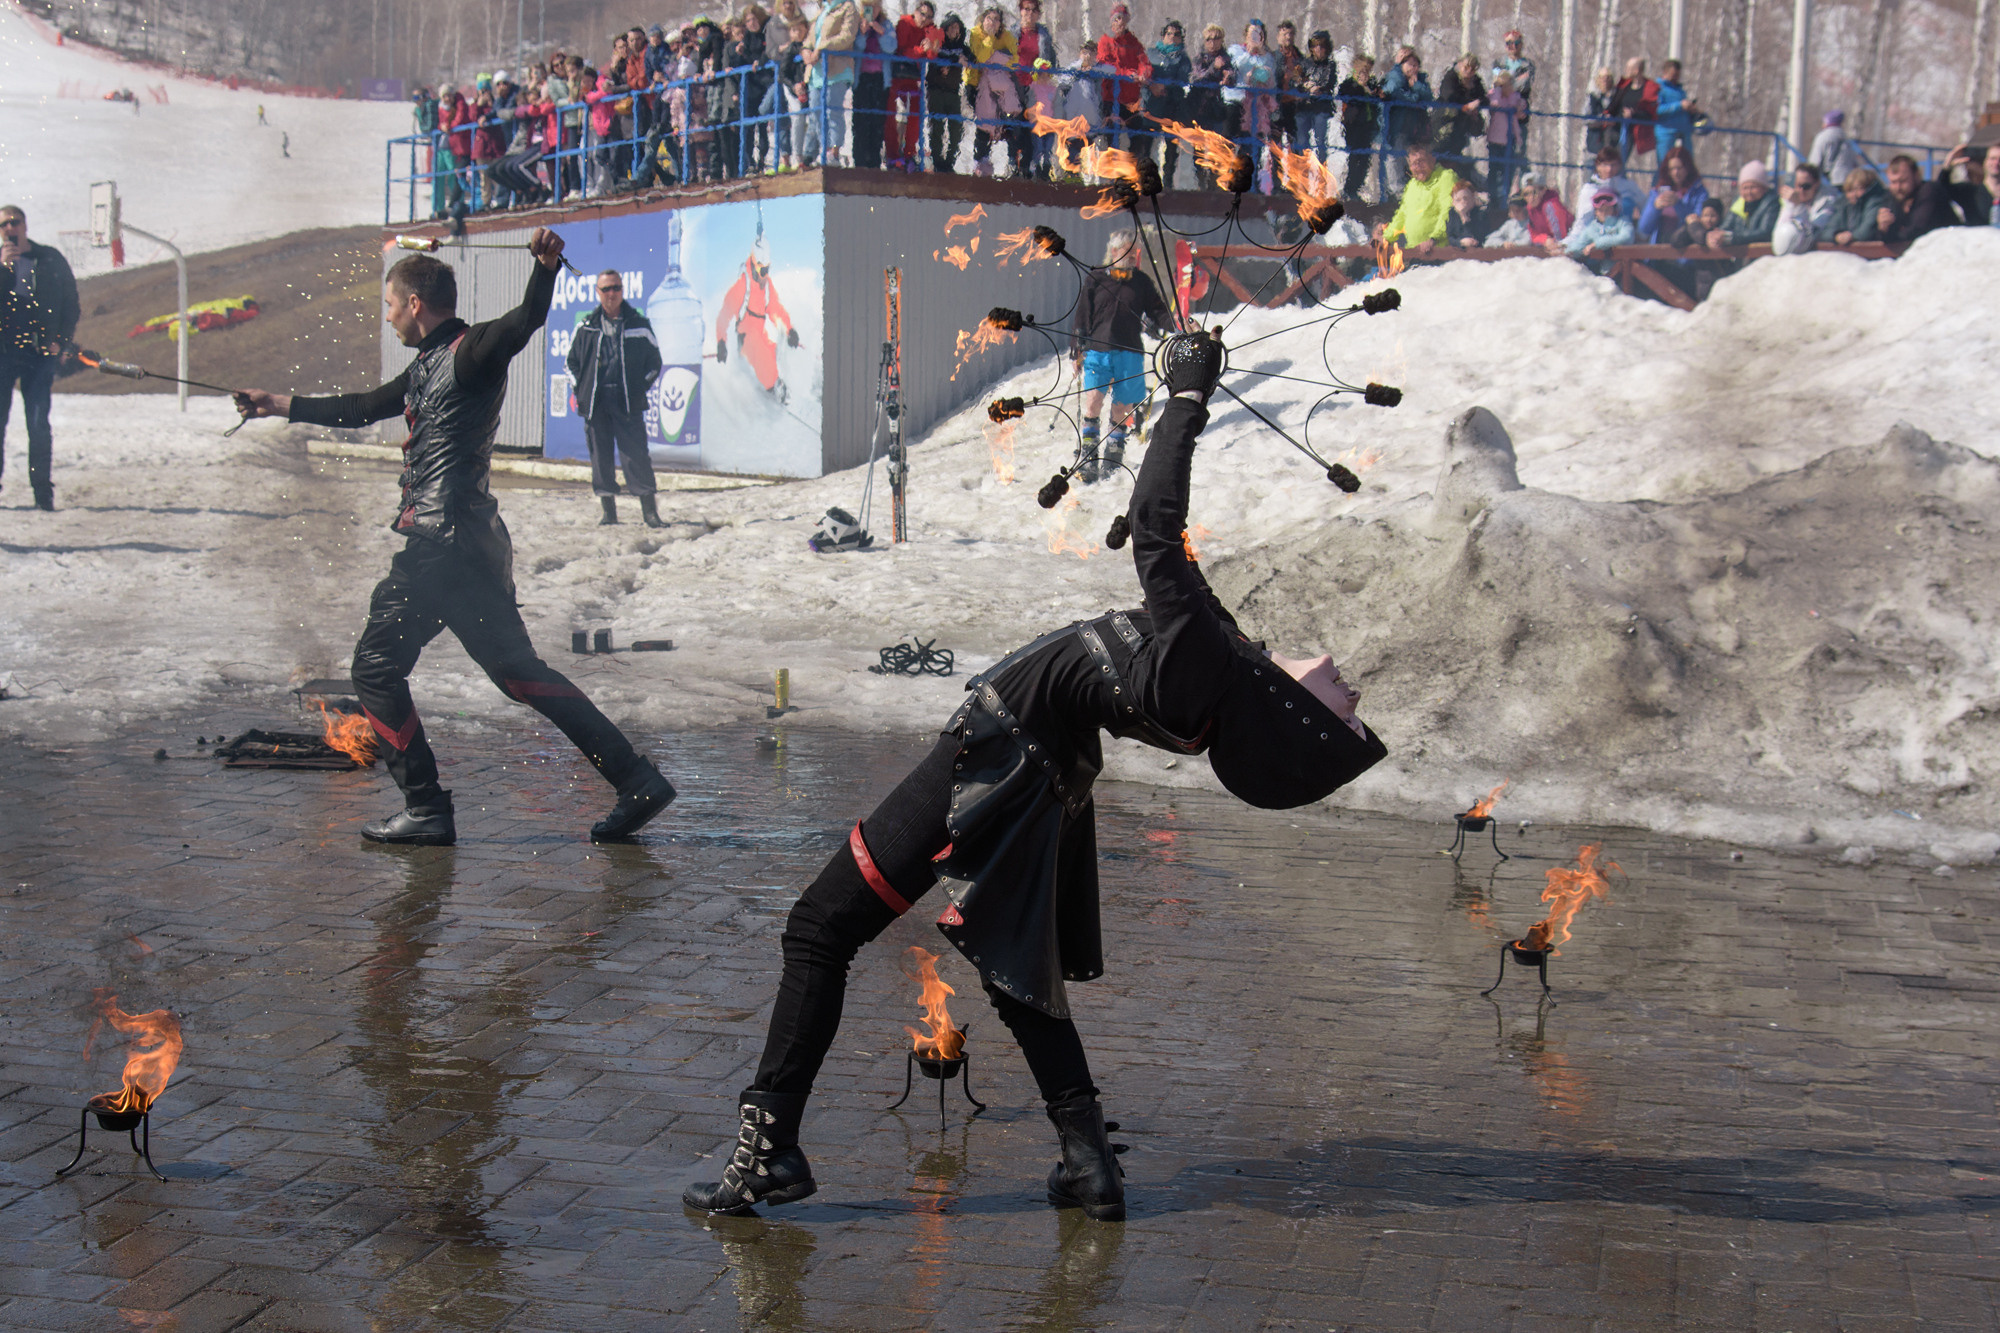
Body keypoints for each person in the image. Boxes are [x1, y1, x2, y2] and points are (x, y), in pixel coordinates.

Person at [680, 329, 1386, 1222]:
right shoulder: (1220, 666)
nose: (1339, 671)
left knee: (819, 926)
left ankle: (768, 1148)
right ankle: (1087, 1160)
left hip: (996, 757)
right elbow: (1178, 557)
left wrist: (1185, 402)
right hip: (1040, 768)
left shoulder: (1208, 662)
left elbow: (1159, 528)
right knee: (1015, 965)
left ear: (1291, 710)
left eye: (1338, 696)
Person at [231, 234, 675, 848]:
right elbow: (362, 406)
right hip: (469, 547)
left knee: (375, 668)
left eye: (389, 306)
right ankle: (637, 779)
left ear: (415, 302)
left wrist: (544, 269)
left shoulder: (470, 352)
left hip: (440, 549)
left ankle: (425, 806)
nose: (387, 318)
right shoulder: (426, 365)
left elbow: (524, 322)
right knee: (520, 674)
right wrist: (277, 403)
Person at [1069, 228, 1169, 482]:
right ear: (1114, 252)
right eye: (1128, 251)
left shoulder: (1142, 282)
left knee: (1122, 409)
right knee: (1093, 401)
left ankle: (1113, 459)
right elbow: (1082, 314)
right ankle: (1089, 457)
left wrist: (1176, 324)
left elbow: (1158, 311)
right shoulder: (1096, 278)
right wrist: (1076, 347)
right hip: (1097, 350)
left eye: (1136, 251)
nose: (1134, 256)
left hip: (1130, 352)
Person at [566, 270, 664, 527]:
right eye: (606, 289)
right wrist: (581, 390)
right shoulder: (586, 326)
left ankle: (650, 513)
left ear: (623, 291)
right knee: (601, 458)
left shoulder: (638, 324)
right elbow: (570, 363)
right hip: (597, 403)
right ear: (598, 293)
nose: (611, 294)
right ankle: (609, 513)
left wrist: (638, 388)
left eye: (616, 288)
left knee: (637, 457)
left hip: (627, 402)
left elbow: (655, 362)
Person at [0, 205, 78, 513]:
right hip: (3, 354)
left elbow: (70, 301)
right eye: (3, 225)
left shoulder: (49, 259)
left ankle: (42, 493)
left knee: (38, 424)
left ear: (25, 224)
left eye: (14, 222)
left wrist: (62, 340)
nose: (9, 228)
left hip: (39, 354)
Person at [715, 229, 801, 398]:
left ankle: (778, 382)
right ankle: (773, 385)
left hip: (760, 334)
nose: (765, 275)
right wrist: (721, 342)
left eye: (768, 269)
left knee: (774, 349)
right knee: (759, 348)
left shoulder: (767, 286)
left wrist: (790, 330)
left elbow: (776, 310)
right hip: (745, 337)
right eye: (762, 271)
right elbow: (724, 315)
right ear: (754, 266)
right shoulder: (743, 285)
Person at [964, 6, 1020, 177]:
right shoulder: (974, 34)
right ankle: (979, 161)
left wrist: (996, 59)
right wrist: (989, 40)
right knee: (984, 123)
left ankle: (1008, 163)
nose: (993, 22)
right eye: (989, 18)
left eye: (996, 20)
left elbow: (1015, 60)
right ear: (983, 19)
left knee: (1002, 123)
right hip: (975, 83)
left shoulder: (1007, 37)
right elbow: (980, 58)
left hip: (998, 85)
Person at [805, 0, 861, 166]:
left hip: (837, 68)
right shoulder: (823, 9)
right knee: (816, 112)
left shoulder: (848, 7)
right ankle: (824, 149)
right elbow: (810, 37)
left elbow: (847, 36)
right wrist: (806, 51)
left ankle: (834, 153)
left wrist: (822, 47)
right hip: (816, 70)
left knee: (832, 110)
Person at [1377, 141, 1459, 253]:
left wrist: (1433, 239)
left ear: (1432, 159)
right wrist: (1386, 238)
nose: (1417, 167)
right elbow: (1401, 217)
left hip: (1438, 251)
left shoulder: (1446, 177)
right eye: (1413, 164)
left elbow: (1448, 212)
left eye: (1421, 161)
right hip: (1413, 251)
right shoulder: (1412, 185)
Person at [1095, 3, 1152, 153]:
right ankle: (1113, 170)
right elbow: (1106, 65)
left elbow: (1144, 62)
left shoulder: (1133, 42)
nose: (1120, 22)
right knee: (1111, 136)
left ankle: (1131, 171)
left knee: (1137, 136)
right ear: (1112, 21)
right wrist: (1126, 74)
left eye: (1123, 19)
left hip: (1131, 99)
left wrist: (1144, 74)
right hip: (1111, 96)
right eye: (1117, 19)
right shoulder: (1105, 41)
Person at [1185, 24, 1236, 187]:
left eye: (1216, 38)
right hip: (1200, 106)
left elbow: (1232, 77)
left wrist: (1228, 77)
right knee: (1199, 147)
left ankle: (1214, 183)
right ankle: (1200, 179)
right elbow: (1197, 79)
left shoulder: (1226, 58)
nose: (1213, 42)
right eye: (1209, 39)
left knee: (1218, 146)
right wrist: (1214, 68)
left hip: (1218, 108)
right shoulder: (1200, 58)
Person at [889, 2, 937, 170]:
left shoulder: (930, 30)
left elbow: (932, 54)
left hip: (912, 78)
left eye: (928, 16)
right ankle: (892, 153)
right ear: (915, 12)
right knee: (892, 112)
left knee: (916, 112)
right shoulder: (904, 23)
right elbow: (902, 49)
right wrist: (920, 50)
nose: (924, 19)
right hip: (897, 75)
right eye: (922, 14)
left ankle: (909, 152)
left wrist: (929, 49)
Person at [850, 0, 895, 170]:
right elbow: (856, 48)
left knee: (877, 121)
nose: (872, 10)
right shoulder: (856, 22)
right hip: (861, 78)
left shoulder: (886, 24)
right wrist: (862, 33)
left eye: (875, 6)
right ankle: (860, 161)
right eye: (868, 6)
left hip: (880, 79)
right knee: (861, 120)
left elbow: (891, 47)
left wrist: (880, 31)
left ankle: (874, 161)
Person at [1145, 20, 1191, 186]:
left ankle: (1168, 182)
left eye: (1176, 34)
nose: (1172, 37)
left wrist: (1165, 85)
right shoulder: (1151, 54)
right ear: (1163, 35)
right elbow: (1144, 71)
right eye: (1169, 33)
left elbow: (1182, 79)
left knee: (1171, 148)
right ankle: (1145, 180)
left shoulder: (1183, 59)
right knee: (1146, 143)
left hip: (1173, 105)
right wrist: (1152, 84)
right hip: (1152, 104)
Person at [1380, 50, 1432, 193]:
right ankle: (1396, 191)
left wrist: (1416, 86)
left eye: (1416, 65)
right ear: (1402, 64)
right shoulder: (1395, 77)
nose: (1413, 68)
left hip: (1415, 127)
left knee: (1413, 159)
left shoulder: (1420, 80)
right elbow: (1396, 94)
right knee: (1395, 157)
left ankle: (1413, 189)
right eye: (1410, 64)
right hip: (1397, 125)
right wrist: (1415, 97)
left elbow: (1428, 97)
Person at [1874, 153, 1954, 242]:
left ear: (1916, 176)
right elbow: (1883, 237)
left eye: (1903, 181)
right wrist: (1883, 229)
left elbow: (1916, 230)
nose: (1898, 187)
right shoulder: (1891, 197)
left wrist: (1892, 236)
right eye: (1893, 182)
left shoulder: (1929, 191)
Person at [1554, 186, 1636, 271]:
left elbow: (1626, 237)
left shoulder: (1623, 223)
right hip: (1605, 274)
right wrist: (1565, 251)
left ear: (1615, 210)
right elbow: (1579, 244)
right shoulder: (1592, 228)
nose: (1604, 213)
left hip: (1625, 271)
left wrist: (1596, 244)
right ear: (1596, 212)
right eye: (1600, 210)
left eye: (1607, 210)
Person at [1636, 145, 1707, 242]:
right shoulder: (1657, 191)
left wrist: (1678, 204)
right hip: (1659, 249)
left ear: (1688, 167)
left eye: (1679, 168)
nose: (1675, 173)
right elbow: (1644, 229)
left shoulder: (1699, 192)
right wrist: (1655, 208)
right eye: (1672, 169)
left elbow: (1697, 224)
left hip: (1685, 249)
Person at [926, 13, 970, 171]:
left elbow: (972, 59)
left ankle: (950, 160)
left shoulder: (961, 47)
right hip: (936, 89)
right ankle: (937, 160)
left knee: (956, 128)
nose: (954, 31)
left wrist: (966, 61)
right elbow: (934, 58)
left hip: (953, 91)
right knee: (937, 127)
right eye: (951, 27)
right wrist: (950, 63)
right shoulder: (939, 43)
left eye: (957, 28)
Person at [1434, 53, 1487, 183]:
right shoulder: (1451, 77)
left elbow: (1484, 98)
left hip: (1461, 129)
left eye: (1473, 69)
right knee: (1440, 154)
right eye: (1466, 67)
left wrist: (1476, 104)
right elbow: (1449, 96)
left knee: (1455, 155)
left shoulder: (1476, 82)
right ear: (1460, 65)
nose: (1469, 71)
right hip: (1444, 125)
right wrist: (1467, 105)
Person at [1337, 53, 1382, 200]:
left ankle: (1356, 187)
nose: (1365, 72)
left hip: (1368, 124)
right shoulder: (1349, 83)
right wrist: (1360, 87)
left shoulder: (1372, 83)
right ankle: (1349, 189)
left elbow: (1378, 97)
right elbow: (1344, 95)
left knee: (1365, 158)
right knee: (1355, 157)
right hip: (1354, 125)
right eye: (1362, 69)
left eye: (1368, 69)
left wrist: (1373, 92)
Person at [1709, 158, 1780, 248]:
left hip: (1763, 256)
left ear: (1764, 188)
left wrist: (1731, 237)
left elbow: (1765, 232)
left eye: (1753, 187)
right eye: (1745, 188)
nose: (1749, 192)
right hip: (1740, 256)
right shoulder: (1739, 202)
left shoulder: (1772, 203)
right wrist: (1716, 235)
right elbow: (1727, 226)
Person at [1771, 163, 1836, 254]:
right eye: (1798, 185)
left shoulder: (1828, 202)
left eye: (1806, 186)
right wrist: (1792, 205)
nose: (1801, 191)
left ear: (1817, 184)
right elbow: (1781, 230)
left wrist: (1799, 206)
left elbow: (1813, 233)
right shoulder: (1789, 201)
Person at [1571, 145, 1643, 225]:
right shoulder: (1589, 189)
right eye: (1605, 165)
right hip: (1596, 234)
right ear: (1597, 166)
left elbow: (1645, 208)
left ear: (1619, 166)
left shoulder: (1629, 186)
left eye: (1613, 165)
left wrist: (1640, 234)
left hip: (1623, 233)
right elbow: (1582, 221)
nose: (1609, 169)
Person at [1610, 57, 1659, 171]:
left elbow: (1651, 112)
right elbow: (1615, 105)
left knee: (1619, 160)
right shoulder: (1624, 85)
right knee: (1610, 158)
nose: (1626, 70)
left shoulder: (1649, 88)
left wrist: (1634, 114)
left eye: (1628, 68)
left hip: (1634, 130)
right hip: (1617, 127)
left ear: (1636, 70)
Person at [1483, 68, 1525, 201]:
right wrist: (1499, 94)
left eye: (1509, 85)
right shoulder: (1495, 95)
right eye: (1504, 85)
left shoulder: (1516, 98)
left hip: (1510, 138)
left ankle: (1504, 197)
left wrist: (1517, 107)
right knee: (1494, 169)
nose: (1508, 88)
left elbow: (1521, 109)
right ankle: (1493, 197)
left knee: (1508, 169)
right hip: (1496, 138)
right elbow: (1493, 102)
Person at [1490, 30, 1534, 147]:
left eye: (1516, 43)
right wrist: (1514, 81)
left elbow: (1525, 85)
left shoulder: (1528, 65)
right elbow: (1496, 82)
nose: (1513, 46)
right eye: (1509, 43)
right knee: (1498, 149)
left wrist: (1506, 83)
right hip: (1501, 111)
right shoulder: (1498, 63)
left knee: (1519, 147)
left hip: (1519, 109)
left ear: (1521, 45)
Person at [1944, 141, 2000, 227]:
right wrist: (1947, 167)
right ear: (1984, 162)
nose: (1996, 163)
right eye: (1992, 158)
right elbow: (1942, 189)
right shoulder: (1970, 192)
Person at [1829, 166, 1890, 244]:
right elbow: (1828, 230)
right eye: (1849, 190)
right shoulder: (1843, 204)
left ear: (1869, 188)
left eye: (1858, 189)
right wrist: (1836, 236)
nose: (1853, 195)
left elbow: (1868, 229)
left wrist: (1852, 236)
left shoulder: (1875, 201)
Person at [1809, 110, 1868, 188]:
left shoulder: (1822, 137)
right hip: (1848, 180)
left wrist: (1810, 179)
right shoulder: (1846, 137)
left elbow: (1814, 162)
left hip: (1829, 181)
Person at [1653, 59, 1698, 161]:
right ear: (1665, 73)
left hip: (1683, 131)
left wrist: (1691, 109)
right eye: (1673, 75)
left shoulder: (1680, 90)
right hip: (1666, 131)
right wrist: (1679, 106)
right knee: (1664, 164)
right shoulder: (1658, 88)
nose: (1675, 78)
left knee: (1687, 164)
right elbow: (1657, 110)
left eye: (1677, 75)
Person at [1516, 171, 1572, 244]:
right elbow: (1533, 236)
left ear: (1543, 190)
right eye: (1526, 194)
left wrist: (1549, 241)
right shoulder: (1530, 208)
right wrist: (1545, 239)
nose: (1531, 198)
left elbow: (1560, 237)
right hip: (1548, 245)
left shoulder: (1551, 206)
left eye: (1534, 193)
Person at [1582, 67, 1616, 157]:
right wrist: (1601, 120)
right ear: (1598, 79)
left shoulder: (1617, 97)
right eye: (1602, 77)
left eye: (1608, 77)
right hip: (1595, 142)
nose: (1605, 80)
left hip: (1613, 144)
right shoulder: (1592, 98)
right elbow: (1586, 119)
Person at [1444, 179, 1489, 247]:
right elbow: (1450, 237)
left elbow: (1478, 238)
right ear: (1453, 202)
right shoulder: (1452, 214)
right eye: (1458, 200)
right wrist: (1460, 242)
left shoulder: (1481, 215)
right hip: (1456, 252)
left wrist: (1464, 217)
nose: (1462, 202)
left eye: (1465, 198)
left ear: (1473, 198)